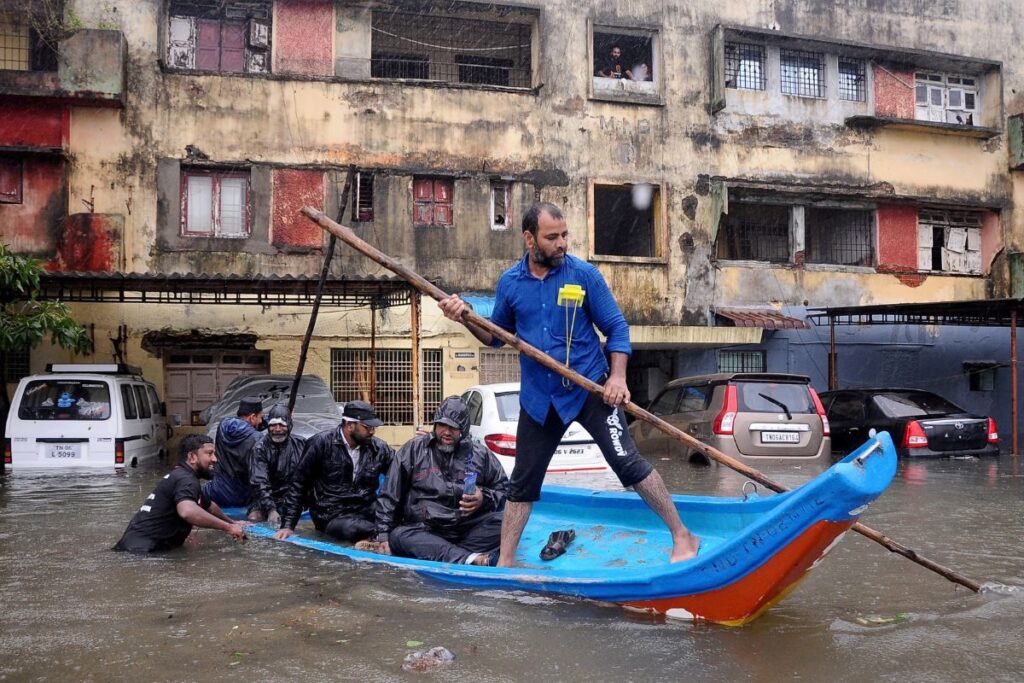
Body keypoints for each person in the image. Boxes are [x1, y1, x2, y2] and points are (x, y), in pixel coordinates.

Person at [438, 202, 700, 568]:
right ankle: (507, 562)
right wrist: (464, 315)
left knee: (628, 464)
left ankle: (683, 536)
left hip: (590, 389)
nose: (561, 244)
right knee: (522, 484)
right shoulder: (511, 283)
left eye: (564, 236)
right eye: (552, 237)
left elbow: (617, 329)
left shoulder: (583, 275)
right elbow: (495, 336)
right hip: (540, 400)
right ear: (530, 239)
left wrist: (618, 377)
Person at [367, 395, 508, 566]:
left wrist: (483, 498)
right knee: (399, 536)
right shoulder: (414, 449)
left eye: (453, 427)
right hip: (426, 529)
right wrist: (382, 534)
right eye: (442, 425)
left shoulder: (480, 454)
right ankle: (467, 557)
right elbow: (390, 494)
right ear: (435, 425)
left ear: (463, 429)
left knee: (506, 522)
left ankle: (449, 553)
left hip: (466, 528)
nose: (446, 432)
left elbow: (504, 491)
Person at [274, 400, 394, 542]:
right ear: (350, 425)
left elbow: (401, 474)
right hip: (331, 515)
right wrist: (288, 525)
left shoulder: (379, 448)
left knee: (398, 521)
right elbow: (299, 484)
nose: (372, 432)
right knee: (355, 529)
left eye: (374, 428)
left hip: (366, 510)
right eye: (367, 427)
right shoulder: (320, 443)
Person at [114, 434, 246, 553]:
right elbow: (187, 511)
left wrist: (233, 522)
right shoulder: (186, 480)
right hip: (141, 554)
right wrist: (228, 527)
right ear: (192, 457)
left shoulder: (182, 476)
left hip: (134, 549)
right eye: (209, 453)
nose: (215, 459)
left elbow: (209, 506)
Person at [248, 404, 306, 524]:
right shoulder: (260, 448)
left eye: (282, 425)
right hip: (267, 498)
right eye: (273, 425)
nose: (277, 429)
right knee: (254, 517)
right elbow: (259, 482)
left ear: (289, 425)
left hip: (294, 496)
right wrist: (271, 509)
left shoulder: (301, 444)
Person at [204, 395, 264, 511]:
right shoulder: (258, 439)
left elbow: (249, 426)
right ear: (252, 417)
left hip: (217, 492)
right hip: (243, 497)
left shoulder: (223, 426)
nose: (261, 421)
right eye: (260, 417)